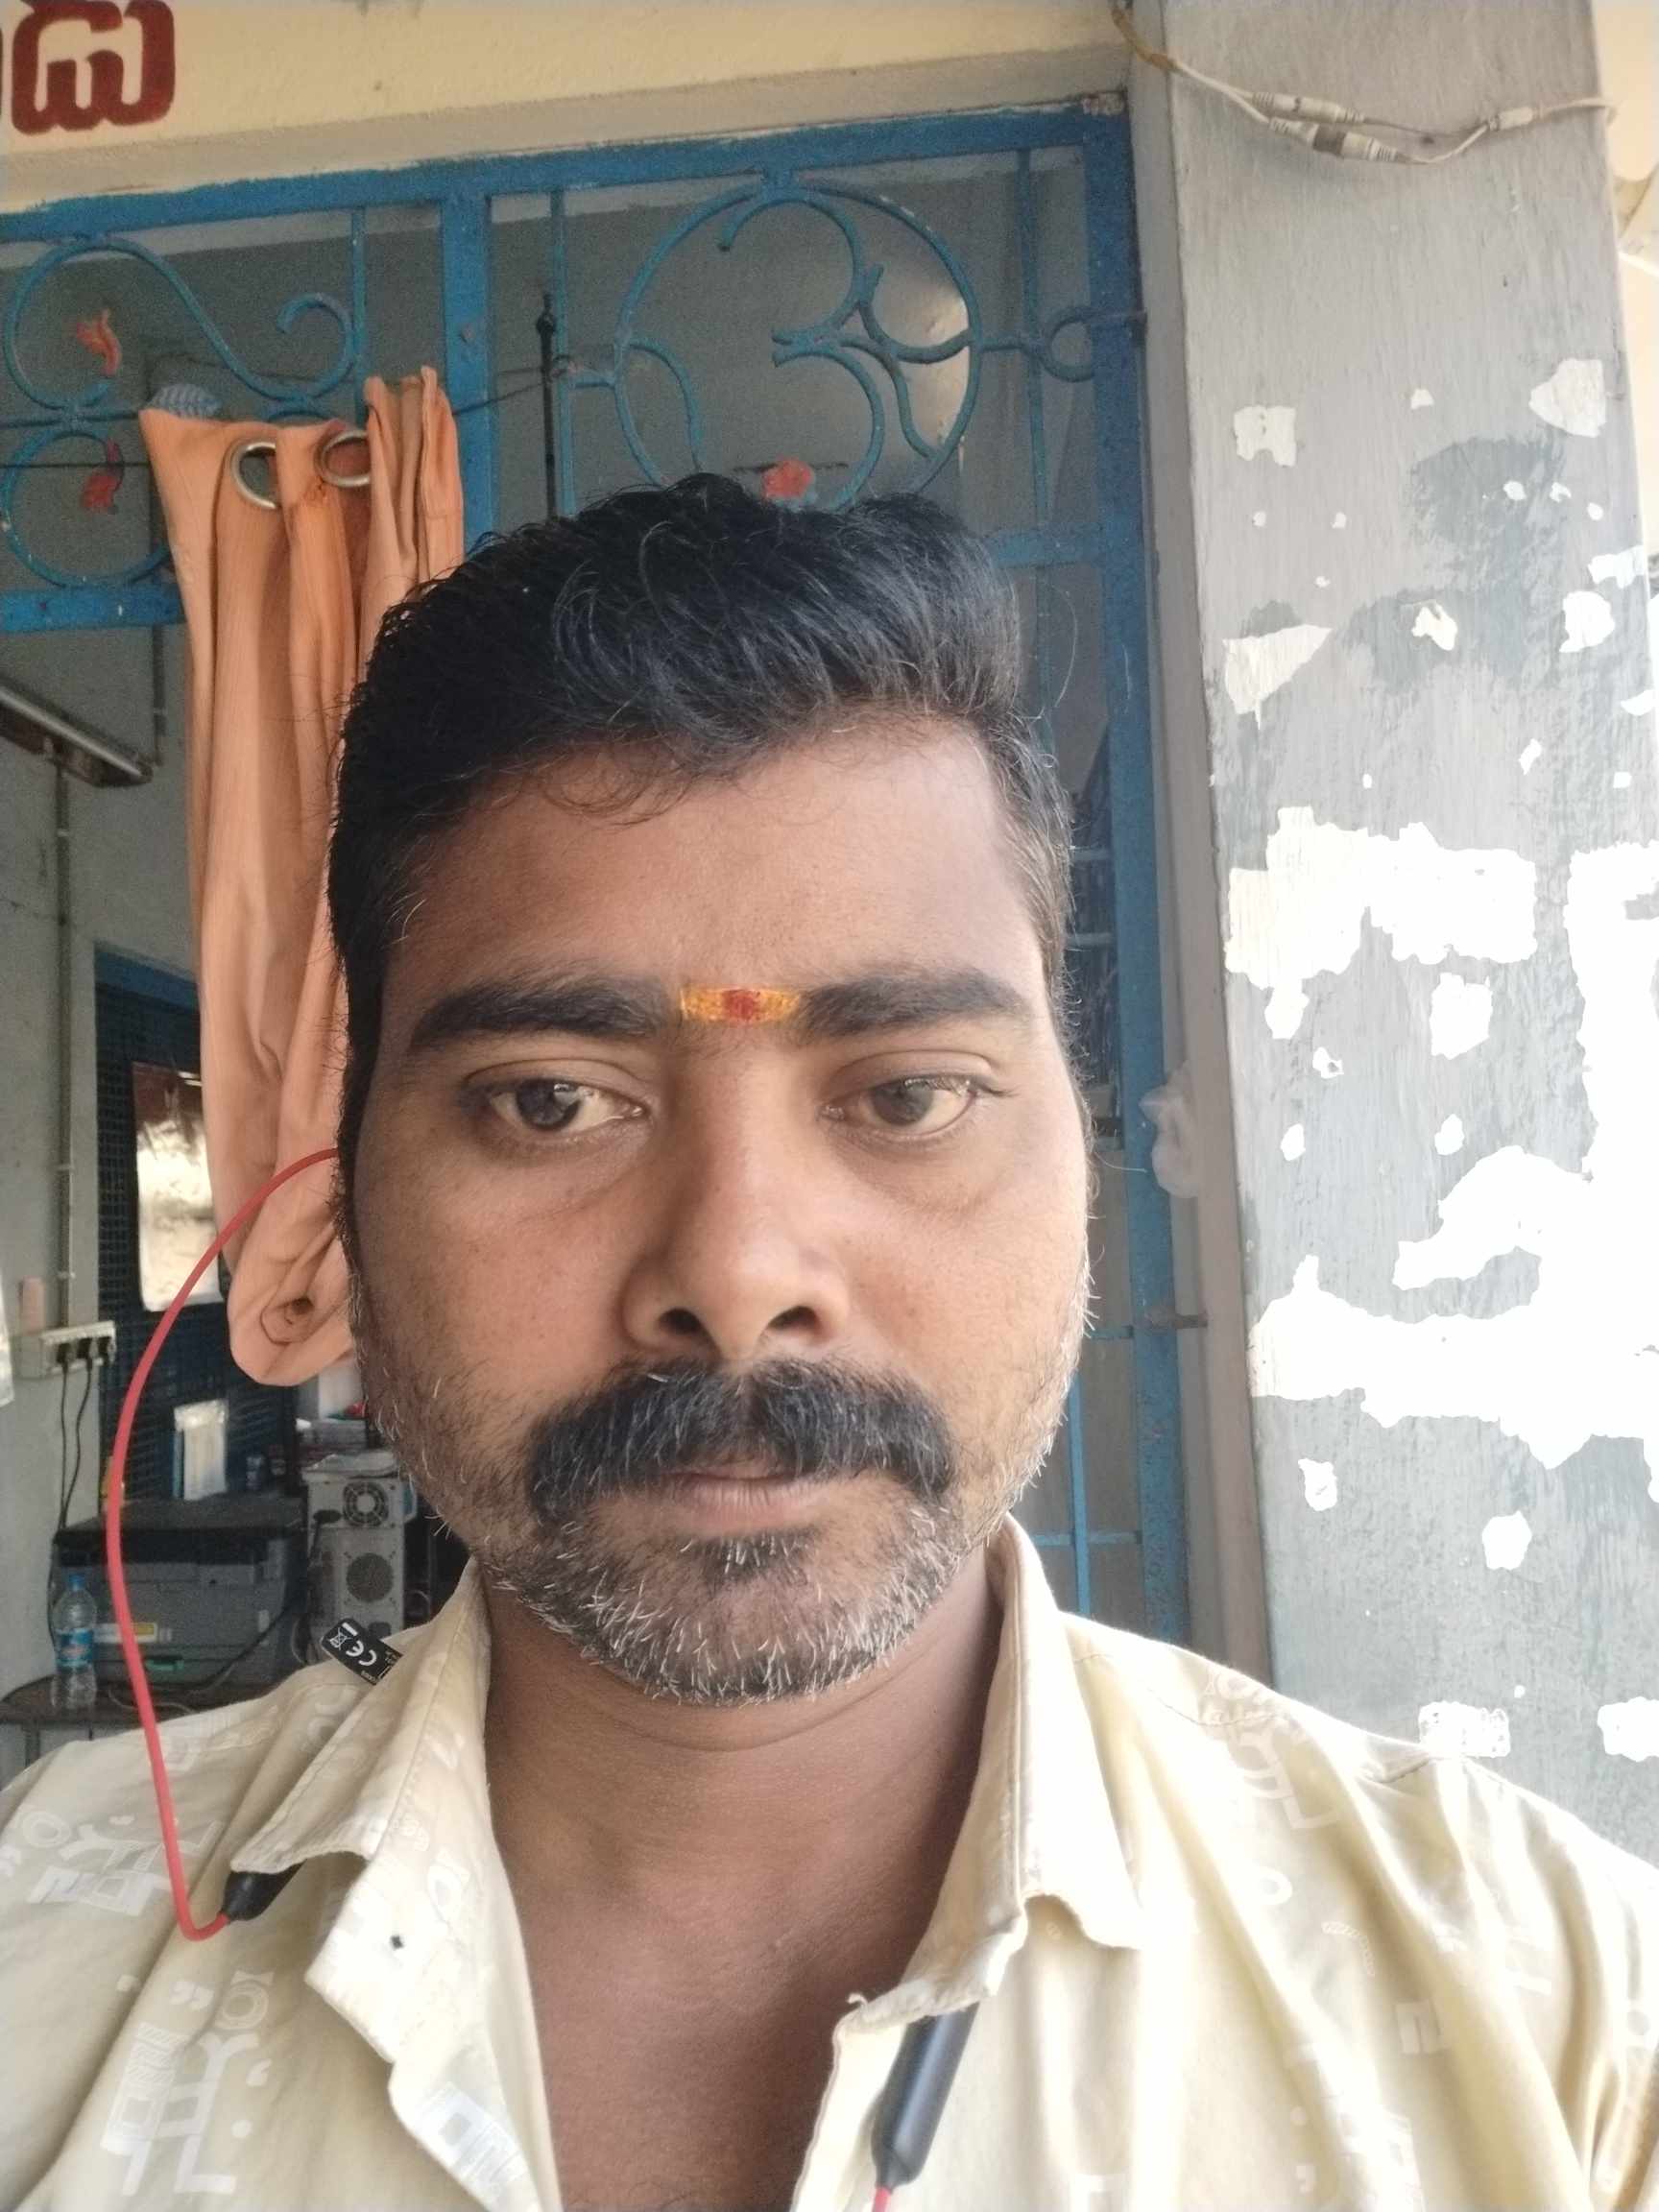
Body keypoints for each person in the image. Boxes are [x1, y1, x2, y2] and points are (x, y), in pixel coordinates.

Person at [1, 476, 1653, 2212]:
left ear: (1078, 1147)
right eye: (552, 1100)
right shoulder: (44, 1959)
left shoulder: (1554, 2028)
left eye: (911, 1093)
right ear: (344, 1184)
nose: (736, 1276)